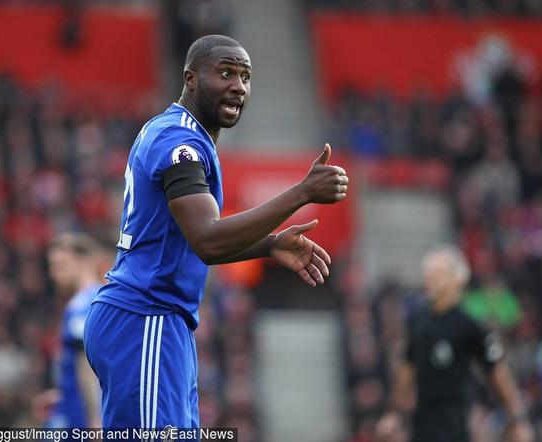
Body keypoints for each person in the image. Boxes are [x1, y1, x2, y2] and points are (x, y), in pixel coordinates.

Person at [84, 34, 349, 432]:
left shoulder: (177, 132)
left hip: (155, 321)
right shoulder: (180, 142)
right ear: (190, 78)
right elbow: (207, 239)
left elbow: (189, 240)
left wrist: (271, 244)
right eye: (225, 73)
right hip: (145, 318)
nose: (238, 86)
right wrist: (303, 191)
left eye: (245, 76)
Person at [376, 246, 533, 442]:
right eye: (428, 274)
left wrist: (518, 418)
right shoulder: (417, 322)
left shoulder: (469, 325)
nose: (430, 279)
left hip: (458, 424)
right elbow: (407, 370)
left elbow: (497, 372)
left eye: (437, 273)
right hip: (422, 423)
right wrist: (394, 413)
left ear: (457, 279)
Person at [32, 233, 103, 430]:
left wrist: (96, 418)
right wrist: (62, 394)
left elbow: (87, 366)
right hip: (70, 405)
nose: (53, 274)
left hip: (78, 417)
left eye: (60, 265)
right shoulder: (90, 300)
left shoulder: (85, 304)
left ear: (82, 261)